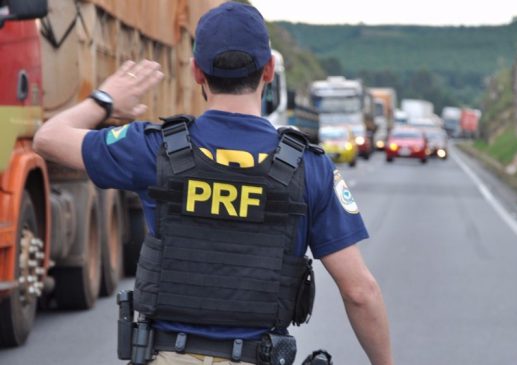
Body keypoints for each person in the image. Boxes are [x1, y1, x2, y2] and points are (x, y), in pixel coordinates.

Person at [33, 2, 394, 364]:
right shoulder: (308, 167)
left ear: (196, 72)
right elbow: (360, 291)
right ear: (269, 69)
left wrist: (105, 99)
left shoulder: (153, 147)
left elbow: (48, 138)